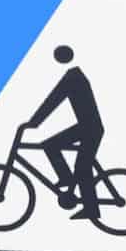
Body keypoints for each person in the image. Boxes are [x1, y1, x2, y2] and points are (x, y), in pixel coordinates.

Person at [25, 45, 103, 220]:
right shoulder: (74, 76)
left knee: (82, 168)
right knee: (50, 145)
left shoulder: (73, 78)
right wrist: (34, 123)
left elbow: (54, 99)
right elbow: (55, 98)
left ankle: (92, 209)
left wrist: (34, 122)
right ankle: (67, 179)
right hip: (86, 127)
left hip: (90, 129)